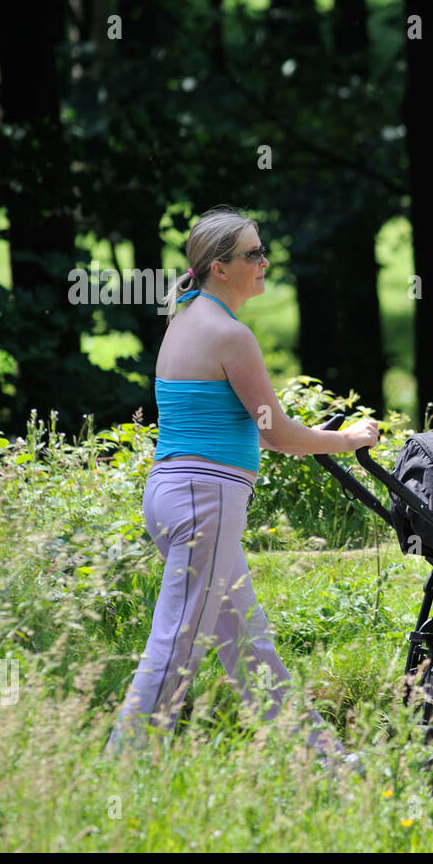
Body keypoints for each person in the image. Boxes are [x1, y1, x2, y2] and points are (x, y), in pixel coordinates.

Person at [106, 206, 379, 764]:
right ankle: (120, 770)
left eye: (262, 249)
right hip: (203, 500)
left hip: (176, 495)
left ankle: (322, 761)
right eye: (251, 254)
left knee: (249, 644)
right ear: (219, 268)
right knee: (177, 641)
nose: (264, 261)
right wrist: (348, 439)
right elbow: (277, 434)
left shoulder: (185, 316)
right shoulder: (229, 334)